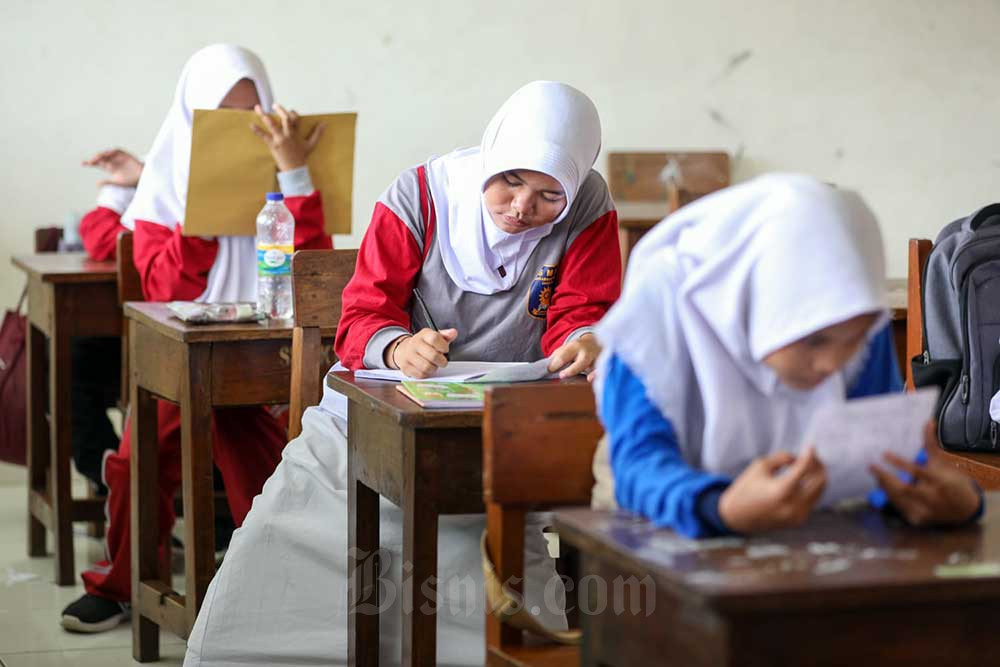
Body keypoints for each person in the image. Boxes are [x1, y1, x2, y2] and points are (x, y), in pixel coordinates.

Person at [184, 80, 621, 666]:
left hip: (502, 424)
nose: (522, 209)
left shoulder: (590, 203)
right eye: (511, 181)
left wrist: (582, 342)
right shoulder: (421, 194)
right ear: (491, 156)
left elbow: (582, 309)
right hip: (384, 406)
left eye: (548, 195)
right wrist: (397, 349)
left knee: (509, 539)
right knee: (286, 531)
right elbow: (364, 312)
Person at [61, 43, 332, 633]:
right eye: (221, 115)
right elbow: (165, 284)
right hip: (184, 353)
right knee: (141, 457)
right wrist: (202, 211)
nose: (238, 128)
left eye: (250, 110)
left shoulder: (285, 179)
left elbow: (315, 265)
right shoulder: (163, 191)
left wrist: (292, 171)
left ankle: (274, 578)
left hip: (264, 350)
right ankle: (122, 582)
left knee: (275, 454)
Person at [592, 173, 982, 538]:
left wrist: (948, 497)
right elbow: (639, 467)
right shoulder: (657, 315)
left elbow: (875, 450)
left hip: (807, 524)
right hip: (657, 516)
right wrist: (720, 508)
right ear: (757, 306)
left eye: (855, 339)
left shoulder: (853, 313)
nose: (833, 365)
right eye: (815, 342)